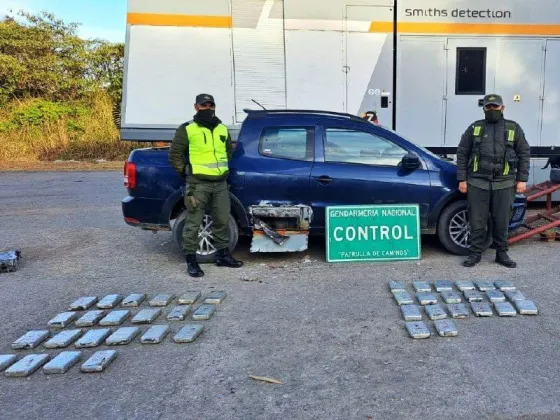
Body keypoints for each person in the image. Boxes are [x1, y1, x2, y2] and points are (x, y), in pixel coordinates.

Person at [169, 93, 243, 277]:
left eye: (211, 105)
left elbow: (227, 154)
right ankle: (191, 261)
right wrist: (187, 173)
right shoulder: (187, 129)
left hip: (220, 184)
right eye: (204, 105)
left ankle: (223, 256)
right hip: (198, 185)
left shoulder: (222, 129)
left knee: (221, 220)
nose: (208, 108)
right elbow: (175, 155)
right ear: (196, 107)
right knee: (193, 223)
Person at [456, 94, 530, 268]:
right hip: (477, 182)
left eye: (495, 107)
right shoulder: (475, 128)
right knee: (477, 220)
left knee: (502, 220)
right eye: (488, 107)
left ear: (502, 108)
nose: (491, 110)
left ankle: (501, 253)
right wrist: (462, 179)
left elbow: (524, 154)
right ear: (484, 109)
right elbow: (462, 153)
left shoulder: (514, 128)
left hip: (505, 183)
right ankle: (475, 253)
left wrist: (522, 179)